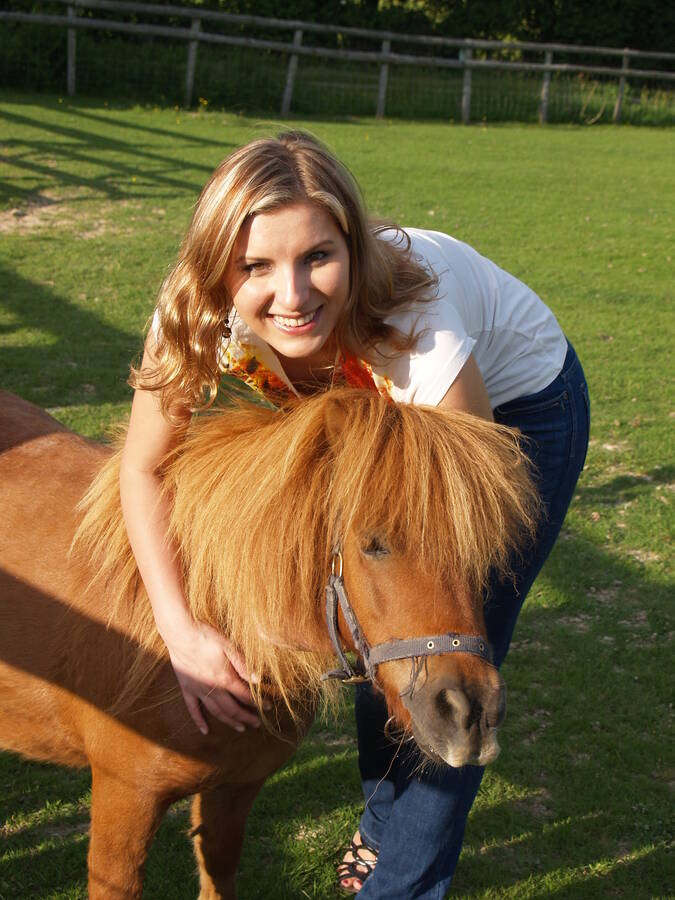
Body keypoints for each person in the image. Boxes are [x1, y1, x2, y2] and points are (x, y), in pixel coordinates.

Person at [120, 130, 590, 898]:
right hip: (366, 398)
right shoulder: (196, 312)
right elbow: (143, 467)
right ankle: (382, 823)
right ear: (217, 271)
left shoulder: (416, 327)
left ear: (352, 245)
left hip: (515, 410)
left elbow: (443, 531)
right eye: (255, 267)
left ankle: (399, 882)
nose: (293, 295)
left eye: (317, 257)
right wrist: (182, 634)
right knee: (382, 633)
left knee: (446, 656)